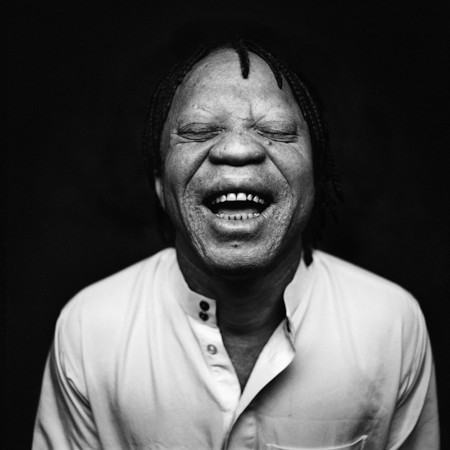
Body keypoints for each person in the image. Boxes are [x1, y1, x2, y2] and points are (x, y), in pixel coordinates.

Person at [33, 39, 439, 449]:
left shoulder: (391, 323)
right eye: (198, 131)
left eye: (276, 131)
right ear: (159, 182)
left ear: (315, 179)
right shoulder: (89, 327)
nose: (237, 149)